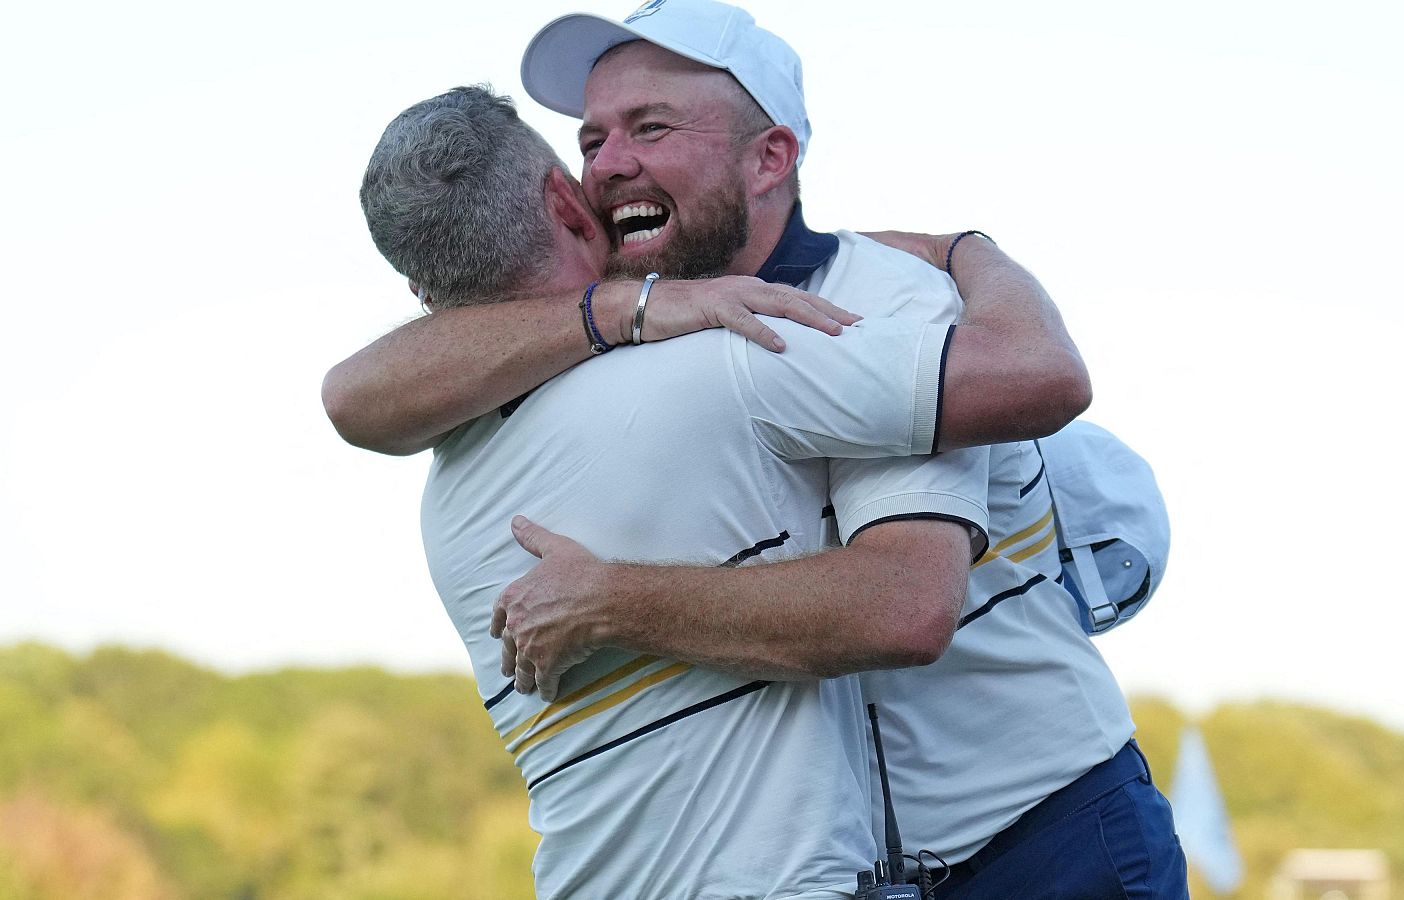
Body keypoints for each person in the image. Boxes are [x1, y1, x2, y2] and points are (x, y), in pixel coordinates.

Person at [329, 2, 1187, 896]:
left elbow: (906, 598)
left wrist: (968, 251)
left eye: (650, 127)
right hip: (874, 874)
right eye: (590, 140)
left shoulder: (882, 295)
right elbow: (355, 393)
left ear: (770, 157)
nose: (608, 164)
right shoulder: (619, 325)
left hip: (1044, 837)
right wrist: (617, 308)